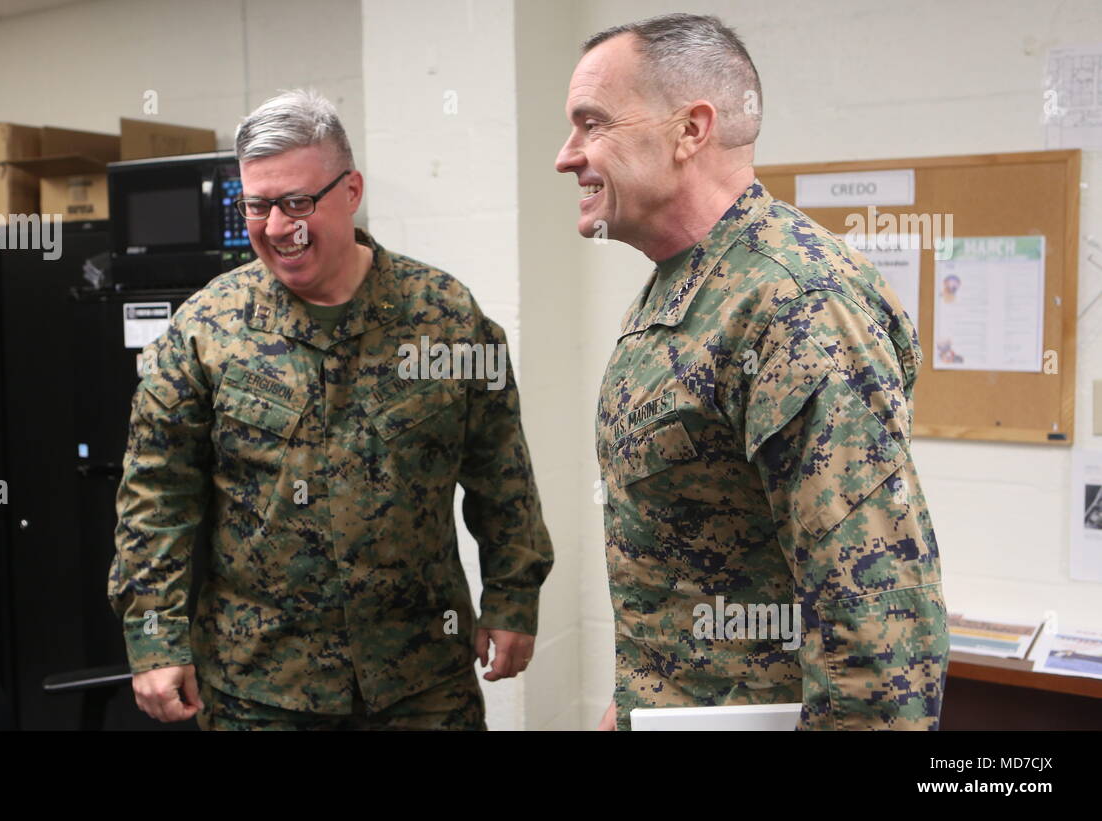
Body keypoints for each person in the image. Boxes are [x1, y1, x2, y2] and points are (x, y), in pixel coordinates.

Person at [109, 89, 553, 730]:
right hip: (260, 687)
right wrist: (154, 635)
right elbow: (157, 492)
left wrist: (513, 597)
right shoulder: (205, 329)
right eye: (258, 205)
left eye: (298, 202)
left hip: (421, 681)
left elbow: (499, 469)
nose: (279, 227)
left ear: (351, 191)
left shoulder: (445, 318)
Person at [555, 14, 948, 731]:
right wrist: (639, 698)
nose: (565, 155)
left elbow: (876, 625)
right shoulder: (679, 290)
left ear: (690, 130)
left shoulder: (795, 302)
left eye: (591, 124)